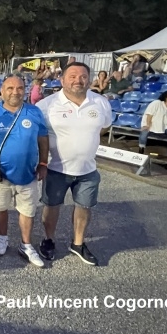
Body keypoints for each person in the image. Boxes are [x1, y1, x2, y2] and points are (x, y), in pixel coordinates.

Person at [36, 62, 112, 266]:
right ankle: (48, 240)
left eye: (83, 76)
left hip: (88, 170)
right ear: (62, 80)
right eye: (72, 76)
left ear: (89, 80)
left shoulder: (101, 102)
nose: (78, 80)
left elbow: (104, 127)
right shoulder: (46, 105)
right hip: (56, 169)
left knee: (84, 207)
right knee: (51, 206)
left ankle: (78, 243)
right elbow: (38, 136)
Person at [0, 75, 49, 267]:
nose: (15, 92)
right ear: (2, 91)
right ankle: (2, 237)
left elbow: (43, 139)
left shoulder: (34, 112)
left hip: (27, 173)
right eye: (10, 88)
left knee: (28, 211)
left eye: (20, 88)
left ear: (25, 90)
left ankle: (26, 245)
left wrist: (43, 163)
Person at [139, 90, 167, 154]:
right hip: (150, 123)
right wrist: (148, 125)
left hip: (165, 125)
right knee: (144, 132)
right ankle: (141, 149)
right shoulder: (157, 103)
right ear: (166, 97)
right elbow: (149, 114)